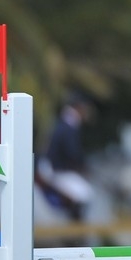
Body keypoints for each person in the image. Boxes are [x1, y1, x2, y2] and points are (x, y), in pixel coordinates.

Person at [38, 92, 94, 220]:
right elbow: (72, 153)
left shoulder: (64, 122)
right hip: (56, 169)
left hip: (53, 166)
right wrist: (83, 165)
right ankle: (75, 232)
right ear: (78, 107)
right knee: (84, 193)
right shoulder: (69, 125)